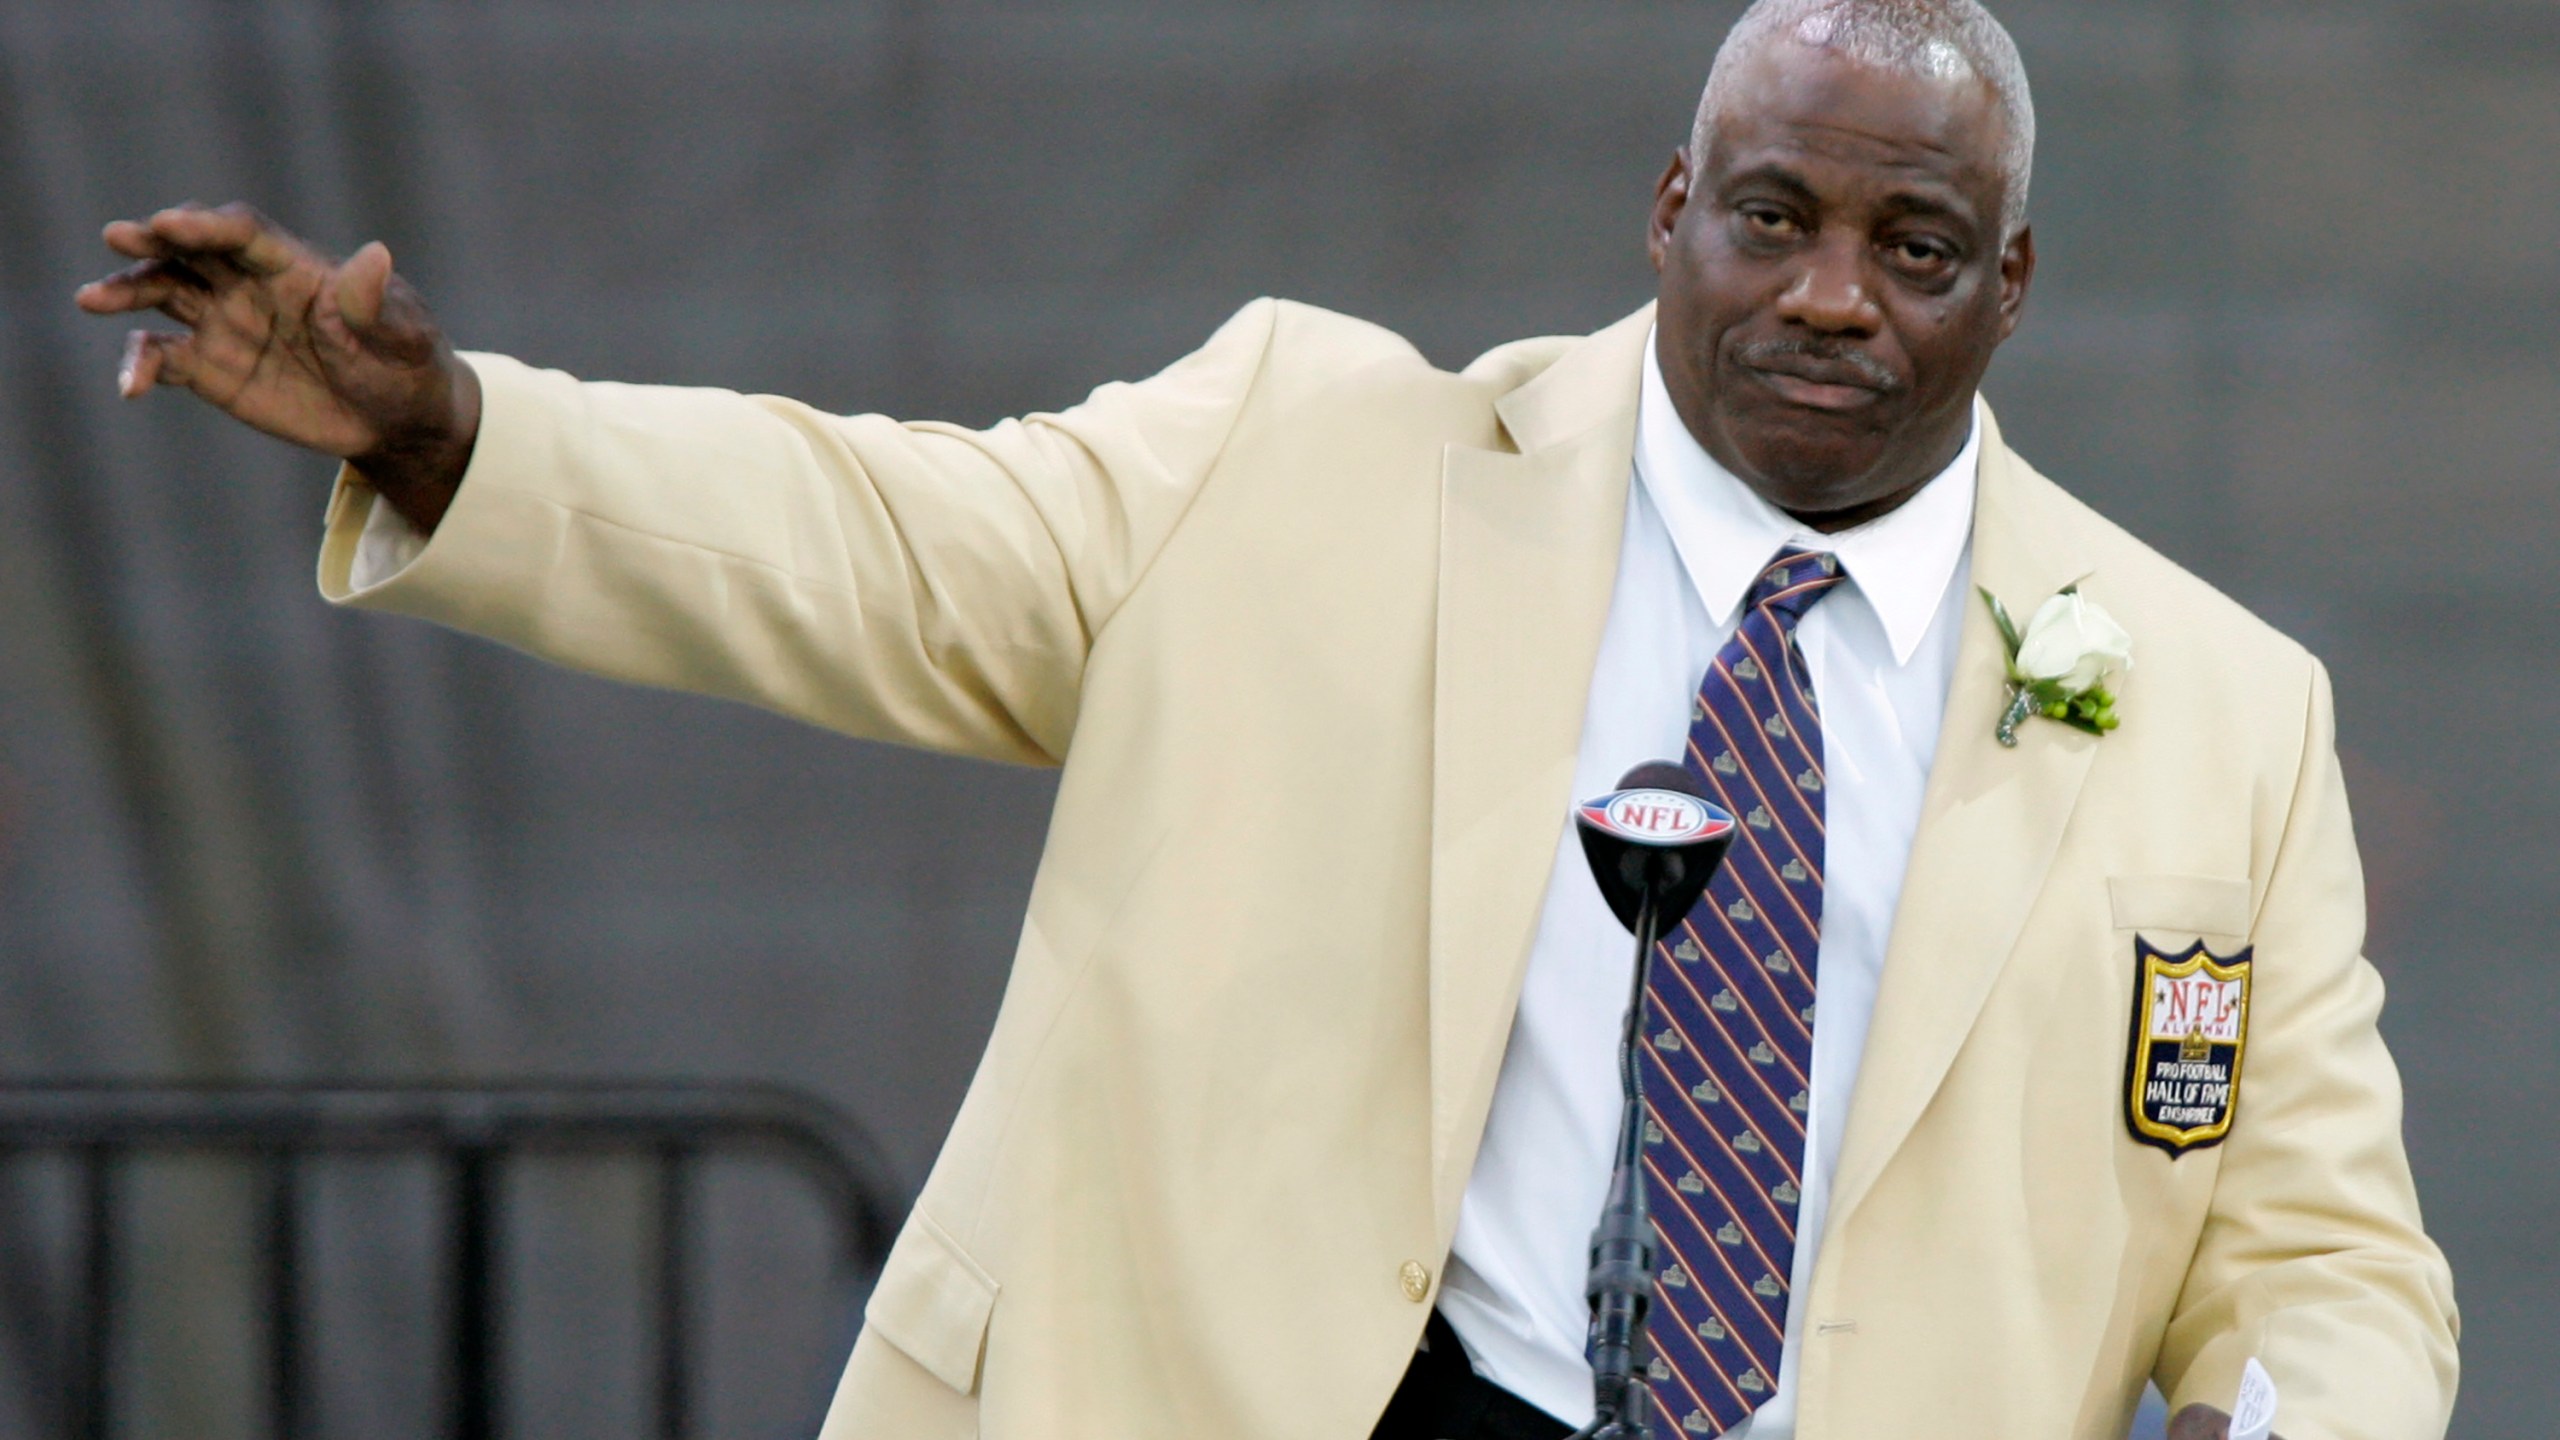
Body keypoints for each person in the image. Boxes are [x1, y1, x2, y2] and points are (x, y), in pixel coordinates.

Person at [76, 1, 2456, 1436]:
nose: (1829, 295)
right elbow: (862, 540)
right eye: (1768, 217)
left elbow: (2323, 1263)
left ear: (2007, 286)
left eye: (1909, 248)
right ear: (1662, 215)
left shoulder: (2214, 715)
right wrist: (450, 427)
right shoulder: (1298, 457)